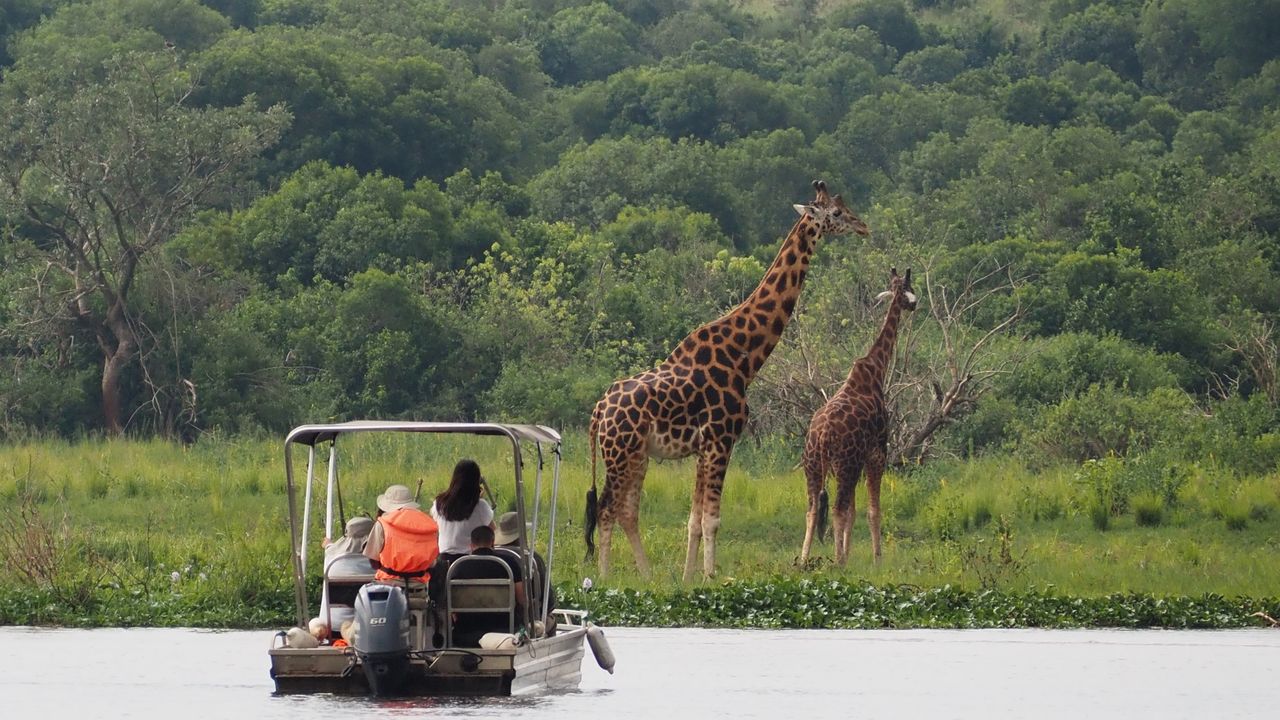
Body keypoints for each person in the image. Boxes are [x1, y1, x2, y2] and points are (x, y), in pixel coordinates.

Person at [447, 525, 525, 647]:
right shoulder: (508, 563)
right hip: (504, 630)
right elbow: (522, 599)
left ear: (471, 544)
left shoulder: (458, 566)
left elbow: (451, 608)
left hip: (466, 631)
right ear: (493, 542)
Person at [493, 511, 557, 634]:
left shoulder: (493, 557)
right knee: (550, 619)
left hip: (495, 619)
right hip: (523, 621)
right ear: (522, 534)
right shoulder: (531, 558)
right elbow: (548, 600)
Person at [363, 484, 439, 584]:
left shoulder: (383, 524)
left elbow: (373, 561)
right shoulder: (429, 524)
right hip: (421, 585)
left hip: (388, 584)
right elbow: (433, 563)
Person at [430, 459, 495, 562]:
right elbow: (491, 529)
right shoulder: (481, 506)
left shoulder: (439, 503)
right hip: (469, 563)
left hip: (444, 562)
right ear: (476, 481)